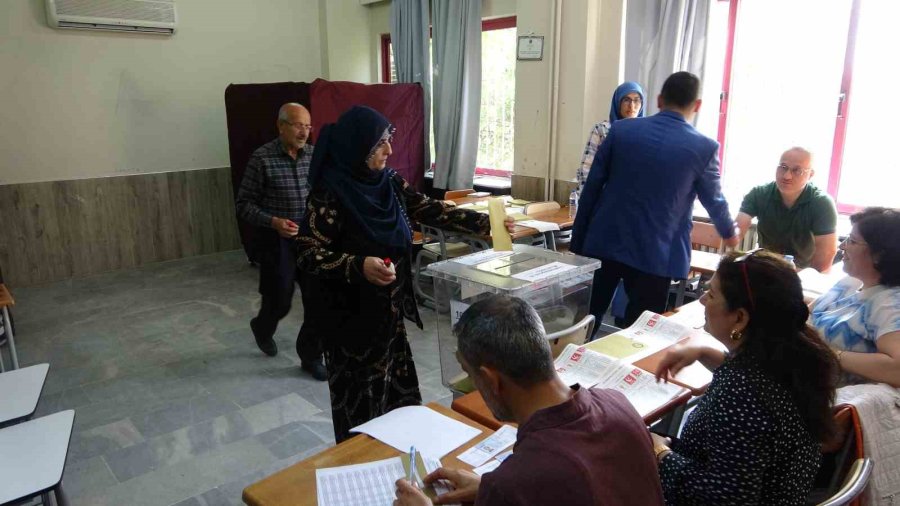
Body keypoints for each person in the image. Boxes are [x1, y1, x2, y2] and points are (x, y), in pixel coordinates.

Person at [295, 106, 513, 443]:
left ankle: (400, 466)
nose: (390, 151)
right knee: (362, 413)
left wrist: (488, 224)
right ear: (358, 148)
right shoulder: (330, 193)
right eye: (380, 144)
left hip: (389, 318)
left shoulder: (388, 182)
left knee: (399, 406)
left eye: (389, 140)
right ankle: (364, 475)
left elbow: (428, 208)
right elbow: (306, 251)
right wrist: (358, 265)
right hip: (350, 326)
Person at [393, 295, 664, 506]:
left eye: (469, 373)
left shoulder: (516, 483)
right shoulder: (618, 404)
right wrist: (488, 489)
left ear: (490, 381)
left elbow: (538, 482)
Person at [652, 250, 838, 505]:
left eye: (713, 294)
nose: (703, 300)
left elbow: (724, 499)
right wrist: (705, 352)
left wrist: (660, 453)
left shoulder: (741, 394)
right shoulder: (794, 359)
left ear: (739, 318)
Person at [571, 71, 739, 327]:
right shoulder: (704, 147)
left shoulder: (621, 131)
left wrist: (578, 242)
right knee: (639, 333)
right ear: (697, 105)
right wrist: (730, 233)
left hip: (605, 242)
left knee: (586, 321)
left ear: (659, 100)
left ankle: (567, 363)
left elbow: (591, 188)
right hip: (656, 254)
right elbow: (714, 200)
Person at [235, 103, 325, 381]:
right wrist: (273, 222)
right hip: (277, 242)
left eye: (308, 126)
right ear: (281, 125)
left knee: (317, 300)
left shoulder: (314, 155)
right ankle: (263, 327)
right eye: (299, 125)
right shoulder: (262, 159)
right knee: (281, 299)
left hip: (310, 240)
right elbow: (244, 204)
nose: (304, 132)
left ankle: (311, 357)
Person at [810, 207, 900, 386]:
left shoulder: (889, 304)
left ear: (878, 255)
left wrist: (831, 355)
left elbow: (897, 369)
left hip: (817, 392)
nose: (842, 246)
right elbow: (806, 313)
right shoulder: (850, 281)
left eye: (852, 241)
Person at [736, 147, 838, 271]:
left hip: (804, 271)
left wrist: (801, 278)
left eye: (797, 170)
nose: (787, 176)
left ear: (810, 174)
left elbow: (825, 257)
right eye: (783, 167)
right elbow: (737, 229)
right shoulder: (759, 193)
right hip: (766, 266)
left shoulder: (822, 203)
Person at [576, 81, 646, 194]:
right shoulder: (602, 130)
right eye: (626, 100)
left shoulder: (646, 133)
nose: (631, 106)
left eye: (636, 100)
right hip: (604, 197)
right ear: (617, 102)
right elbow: (586, 170)